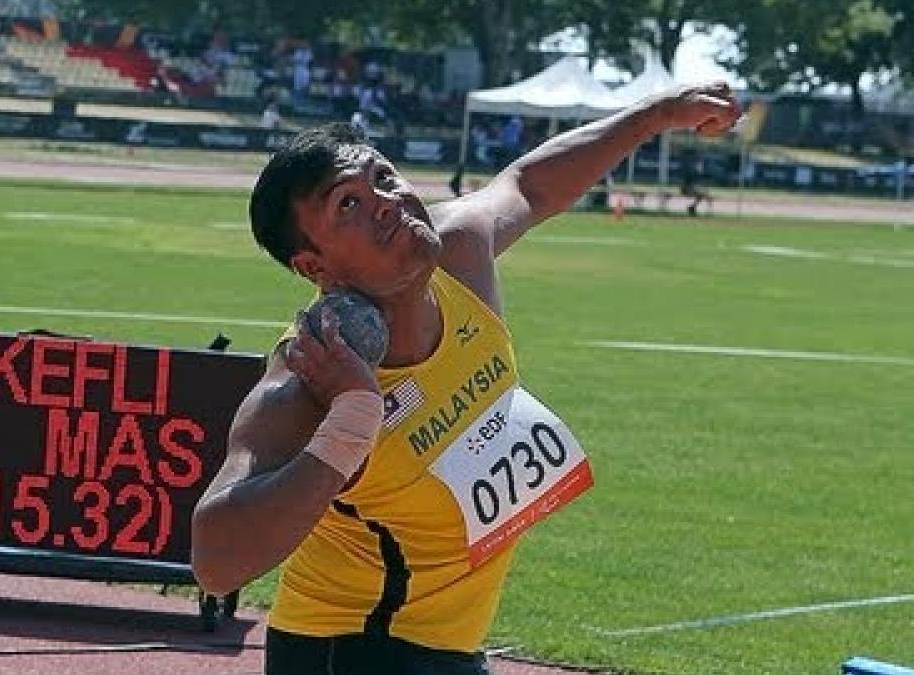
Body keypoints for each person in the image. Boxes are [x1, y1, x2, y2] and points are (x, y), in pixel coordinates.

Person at [192, 82, 740, 675]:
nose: (383, 200)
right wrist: (349, 425)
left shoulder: (458, 251)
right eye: (346, 204)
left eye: (382, 176)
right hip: (350, 647)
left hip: (448, 643)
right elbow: (216, 560)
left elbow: (529, 184)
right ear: (313, 267)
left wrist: (656, 115)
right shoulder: (310, 378)